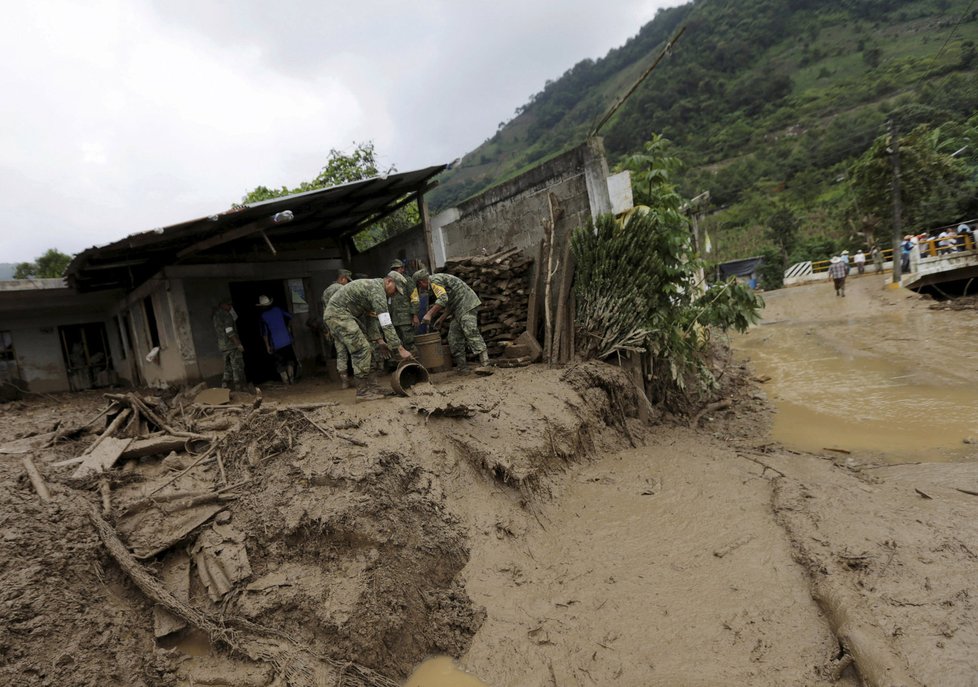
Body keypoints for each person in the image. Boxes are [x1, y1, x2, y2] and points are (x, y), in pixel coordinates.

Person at [323, 271, 412, 401]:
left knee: (370, 348)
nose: (395, 294)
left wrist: (380, 342)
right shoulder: (377, 291)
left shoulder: (375, 291)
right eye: (396, 290)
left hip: (347, 316)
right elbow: (386, 323)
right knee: (361, 348)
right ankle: (362, 392)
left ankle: (373, 387)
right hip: (337, 315)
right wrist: (400, 348)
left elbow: (371, 321)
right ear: (388, 282)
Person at [411, 268, 491, 374]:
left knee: (470, 330)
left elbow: (443, 299)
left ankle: (486, 364)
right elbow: (449, 301)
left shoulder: (435, 280)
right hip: (458, 308)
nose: (421, 288)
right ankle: (462, 368)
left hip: (467, 303)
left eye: (419, 286)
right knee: (454, 337)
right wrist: (442, 318)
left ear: (421, 282)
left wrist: (429, 314)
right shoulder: (435, 283)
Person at [321, 269, 353, 388]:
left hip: (333, 325)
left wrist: (328, 328)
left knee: (341, 352)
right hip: (345, 323)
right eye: (347, 280)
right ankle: (360, 378)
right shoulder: (341, 288)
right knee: (355, 349)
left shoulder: (326, 291)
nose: (347, 283)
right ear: (343, 278)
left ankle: (344, 381)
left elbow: (325, 310)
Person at [257, 295, 297, 384]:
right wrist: (288, 327)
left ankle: (286, 381)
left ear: (262, 306)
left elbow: (265, 333)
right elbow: (290, 316)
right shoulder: (278, 309)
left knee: (280, 363)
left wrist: (267, 346)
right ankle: (292, 379)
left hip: (276, 344)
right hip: (287, 340)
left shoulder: (263, 316)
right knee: (290, 360)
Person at [212, 299, 247, 391]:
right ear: (223, 305)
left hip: (223, 346)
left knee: (227, 366)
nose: (230, 307)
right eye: (229, 305)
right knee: (236, 366)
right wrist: (238, 344)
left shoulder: (216, 315)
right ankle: (239, 387)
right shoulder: (227, 315)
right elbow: (229, 331)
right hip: (231, 345)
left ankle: (225, 385)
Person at [387, 259, 418, 354]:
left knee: (409, 343)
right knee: (397, 345)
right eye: (394, 269)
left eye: (398, 268)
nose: (396, 271)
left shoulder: (407, 281)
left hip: (406, 318)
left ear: (403, 269)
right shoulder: (388, 282)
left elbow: (415, 298)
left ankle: (416, 364)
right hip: (394, 319)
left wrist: (415, 315)